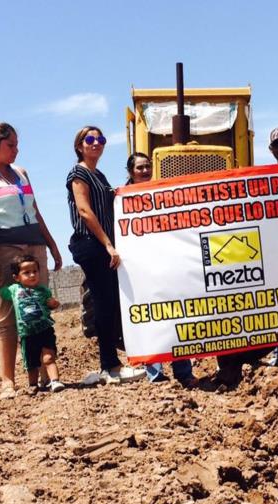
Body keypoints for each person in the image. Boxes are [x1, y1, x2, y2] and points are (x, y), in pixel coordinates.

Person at [0, 122, 63, 399]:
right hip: (4, 250)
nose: (16, 151)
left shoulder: (21, 173)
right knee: (7, 317)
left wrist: (52, 245)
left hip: (34, 246)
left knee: (40, 310)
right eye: (10, 146)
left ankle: (45, 375)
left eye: (17, 145)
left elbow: (35, 211)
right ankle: (7, 381)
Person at [125, 153, 196, 386]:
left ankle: (183, 372)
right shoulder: (122, 200)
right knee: (150, 317)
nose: (145, 171)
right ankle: (155, 373)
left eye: (147, 167)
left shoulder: (163, 193)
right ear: (131, 172)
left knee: (178, 314)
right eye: (139, 168)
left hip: (167, 263)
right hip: (140, 267)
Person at [66, 126, 125, 384]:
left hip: (103, 244)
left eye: (100, 139)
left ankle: (113, 361)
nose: (96, 143)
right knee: (102, 302)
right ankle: (107, 365)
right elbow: (85, 211)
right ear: (80, 145)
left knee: (111, 302)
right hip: (91, 244)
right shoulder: (78, 173)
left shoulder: (99, 174)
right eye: (90, 139)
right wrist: (108, 245)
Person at [0, 255, 66, 394]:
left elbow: (50, 304)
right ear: (16, 277)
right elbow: (0, 292)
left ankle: (54, 381)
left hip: (45, 330)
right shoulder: (13, 290)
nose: (32, 275)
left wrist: (54, 304)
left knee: (48, 358)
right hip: (27, 334)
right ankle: (33, 384)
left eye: (35, 271)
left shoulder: (43, 291)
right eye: (26, 272)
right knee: (31, 363)